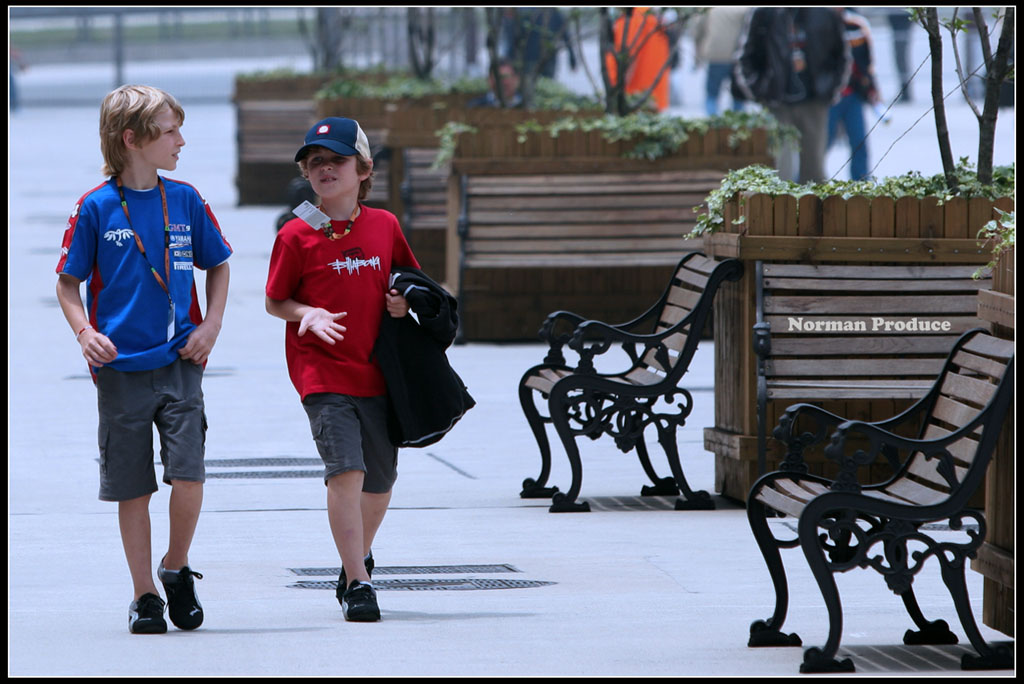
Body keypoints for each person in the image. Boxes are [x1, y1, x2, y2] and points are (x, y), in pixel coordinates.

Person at [55, 84, 233, 634]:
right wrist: (84, 331)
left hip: (180, 363)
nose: (182, 141)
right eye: (170, 131)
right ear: (132, 140)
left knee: (190, 476)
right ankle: (144, 594)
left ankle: (175, 566)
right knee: (132, 486)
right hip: (120, 372)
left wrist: (210, 326)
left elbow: (219, 264)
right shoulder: (96, 207)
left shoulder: (184, 200)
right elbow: (68, 283)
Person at [265, 117, 420, 622]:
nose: (326, 169)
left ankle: (356, 558)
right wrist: (304, 313)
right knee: (346, 472)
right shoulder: (295, 235)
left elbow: (409, 282)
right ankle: (359, 583)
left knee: (380, 482)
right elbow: (275, 301)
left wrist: (401, 302)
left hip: (378, 373)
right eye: (316, 163)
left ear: (364, 169)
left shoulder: (385, 226)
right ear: (306, 174)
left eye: (337, 160)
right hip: (322, 373)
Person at [733, 7, 850, 183]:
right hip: (777, 104)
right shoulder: (764, 14)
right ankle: (781, 209)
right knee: (779, 171)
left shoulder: (825, 14)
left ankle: (812, 209)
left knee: (814, 171)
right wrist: (760, 91)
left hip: (814, 102)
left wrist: (830, 89)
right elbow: (745, 57)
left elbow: (842, 56)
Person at [827, 8, 880, 181]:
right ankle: (806, 183)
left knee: (859, 142)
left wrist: (872, 86)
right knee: (821, 144)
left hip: (853, 94)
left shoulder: (856, 24)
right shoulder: (817, 22)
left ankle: (861, 185)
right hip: (828, 96)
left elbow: (868, 59)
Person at [605, 7, 672, 112]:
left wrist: (619, 93)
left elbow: (629, 57)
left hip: (635, 96)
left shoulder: (631, 17)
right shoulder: (649, 15)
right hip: (651, 96)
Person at [693, 7, 750, 116]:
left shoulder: (709, 9)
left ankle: (712, 124)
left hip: (716, 55)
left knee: (712, 95)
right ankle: (737, 125)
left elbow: (698, 31)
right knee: (738, 96)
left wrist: (697, 56)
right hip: (736, 56)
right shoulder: (743, 9)